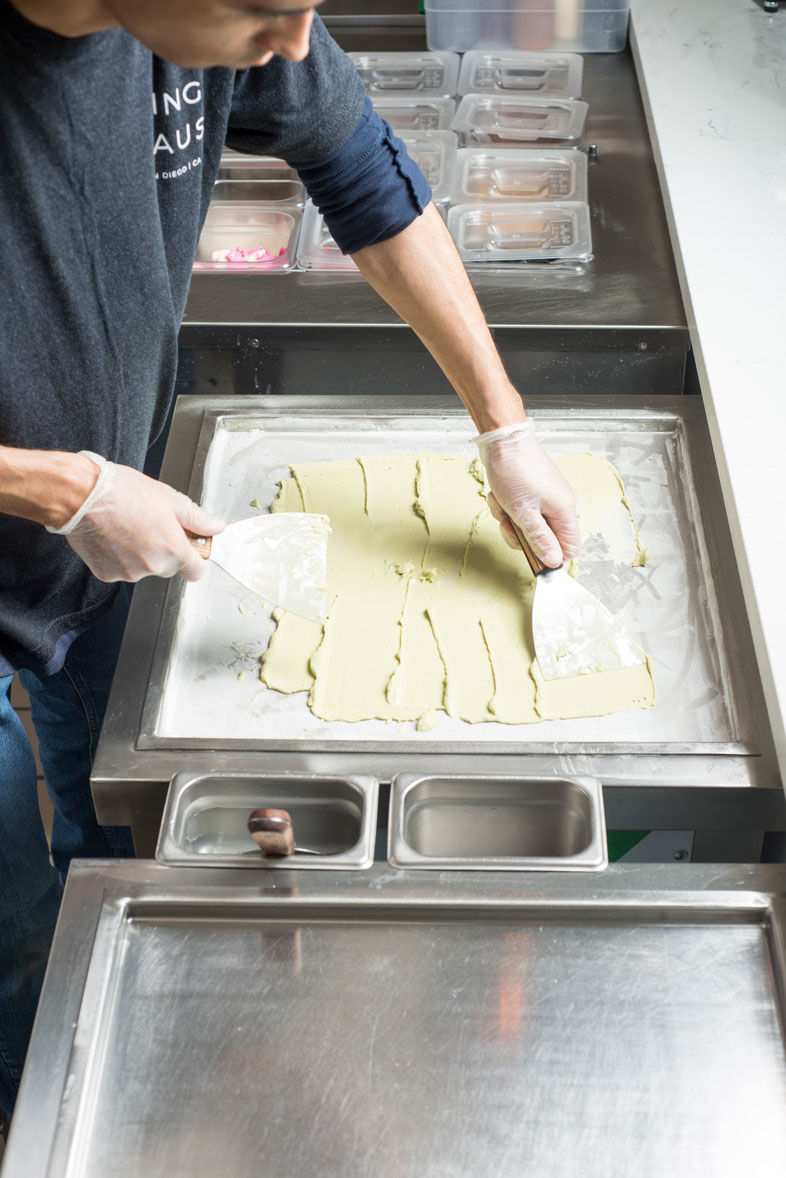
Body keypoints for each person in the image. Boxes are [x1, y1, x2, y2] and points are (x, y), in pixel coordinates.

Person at [0, 0, 580, 1121]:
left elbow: (356, 162)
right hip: (70, 510)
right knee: (10, 921)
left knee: (104, 818)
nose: (299, 42)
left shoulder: (211, 28)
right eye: (268, 11)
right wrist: (65, 488)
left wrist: (503, 425)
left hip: (99, 549)